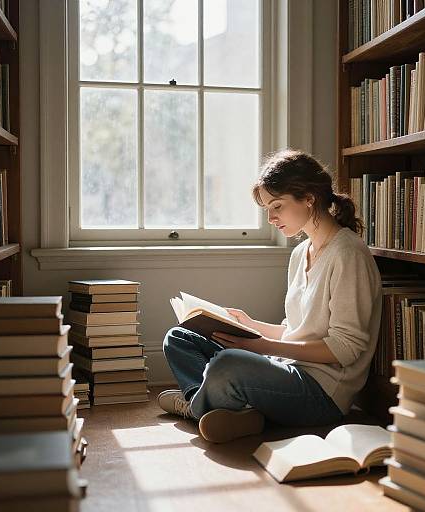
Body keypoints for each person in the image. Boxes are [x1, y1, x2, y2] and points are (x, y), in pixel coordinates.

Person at [158, 149, 382, 443]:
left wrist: (264, 347)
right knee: (178, 338)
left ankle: (196, 406)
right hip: (284, 369)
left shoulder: (348, 254)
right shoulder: (301, 252)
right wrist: (251, 325)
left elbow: (345, 349)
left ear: (309, 198)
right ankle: (229, 407)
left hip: (321, 394)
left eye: (277, 206)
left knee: (227, 365)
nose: (271, 218)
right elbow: (295, 331)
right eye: (266, 208)